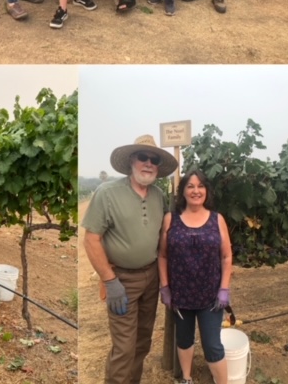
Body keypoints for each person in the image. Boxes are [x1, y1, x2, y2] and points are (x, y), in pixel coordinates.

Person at [82, 134, 177, 384]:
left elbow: (162, 238)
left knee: (143, 341)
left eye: (153, 159)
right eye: (142, 157)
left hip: (151, 277)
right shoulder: (108, 193)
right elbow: (91, 239)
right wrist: (110, 281)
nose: (148, 163)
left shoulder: (158, 196)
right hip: (122, 280)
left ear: (157, 166)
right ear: (132, 161)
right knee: (124, 348)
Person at [158, 170, 232, 384]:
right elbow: (162, 255)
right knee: (184, 339)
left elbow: (226, 257)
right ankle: (187, 379)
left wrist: (224, 289)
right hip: (181, 296)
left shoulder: (217, 220)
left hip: (211, 296)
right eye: (190, 186)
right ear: (183, 191)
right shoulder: (171, 219)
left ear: (206, 191)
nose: (196, 191)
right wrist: (165, 287)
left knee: (212, 344)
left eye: (200, 186)